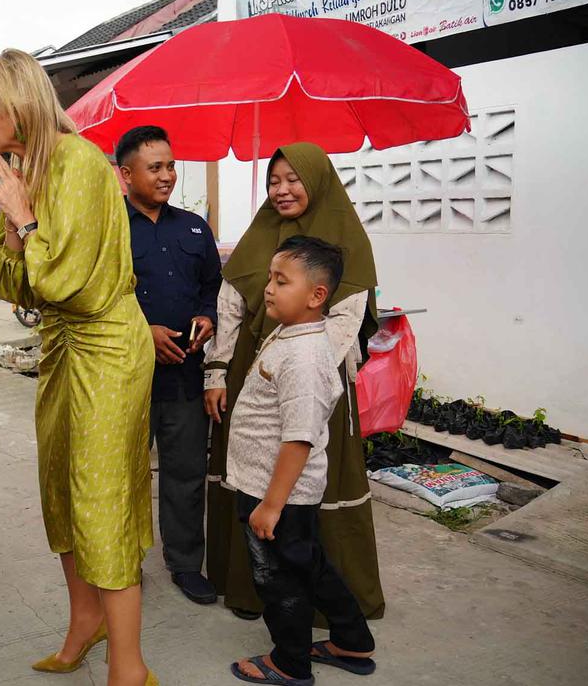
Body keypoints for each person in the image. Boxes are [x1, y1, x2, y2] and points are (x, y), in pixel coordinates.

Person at [0, 48, 157, 686]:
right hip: (62, 347)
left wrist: (22, 217)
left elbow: (64, 280)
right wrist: (16, 215)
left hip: (106, 347)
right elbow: (5, 278)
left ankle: (128, 664)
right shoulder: (30, 169)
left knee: (102, 497)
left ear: (19, 101)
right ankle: (84, 622)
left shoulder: (76, 162)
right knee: (62, 491)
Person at [203, 142, 385, 623]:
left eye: (293, 179)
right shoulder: (260, 234)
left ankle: (321, 615)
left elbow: (343, 322)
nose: (281, 190)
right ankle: (249, 587)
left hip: (308, 376)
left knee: (301, 480)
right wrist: (218, 370)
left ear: (318, 180)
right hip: (252, 376)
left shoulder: (348, 241)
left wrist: (302, 364)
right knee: (250, 473)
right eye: (273, 180)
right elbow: (231, 305)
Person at [227, 235, 376, 685]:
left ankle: (289, 662)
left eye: (281, 281)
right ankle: (351, 638)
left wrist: (271, 504)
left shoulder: (306, 356)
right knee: (308, 564)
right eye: (271, 278)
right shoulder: (291, 333)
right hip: (273, 488)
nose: (269, 288)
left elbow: (298, 437)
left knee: (279, 580)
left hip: (277, 493)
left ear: (316, 296)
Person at [115, 126, 221, 605]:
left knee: (185, 474)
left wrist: (207, 316)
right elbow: (96, 300)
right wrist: (144, 334)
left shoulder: (194, 227)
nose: (167, 176)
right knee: (122, 475)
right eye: (155, 167)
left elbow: (213, 288)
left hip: (184, 377)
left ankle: (184, 564)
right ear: (126, 174)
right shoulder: (107, 230)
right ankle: (120, 564)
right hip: (123, 379)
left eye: (171, 166)